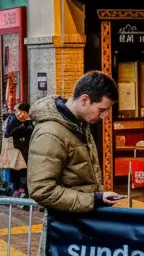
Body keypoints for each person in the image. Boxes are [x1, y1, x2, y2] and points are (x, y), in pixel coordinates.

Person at [28, 71, 124, 213]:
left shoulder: (79, 124)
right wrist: (93, 199)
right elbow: (42, 190)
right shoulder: (50, 133)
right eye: (102, 110)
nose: (105, 116)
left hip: (78, 218)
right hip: (65, 222)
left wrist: (98, 197)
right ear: (84, 100)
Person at [1, 102, 33, 197]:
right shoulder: (14, 120)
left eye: (21, 112)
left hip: (23, 152)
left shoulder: (28, 122)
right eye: (19, 112)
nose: (20, 114)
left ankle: (19, 192)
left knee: (21, 174)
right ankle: (16, 192)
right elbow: (10, 135)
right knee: (17, 174)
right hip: (16, 152)